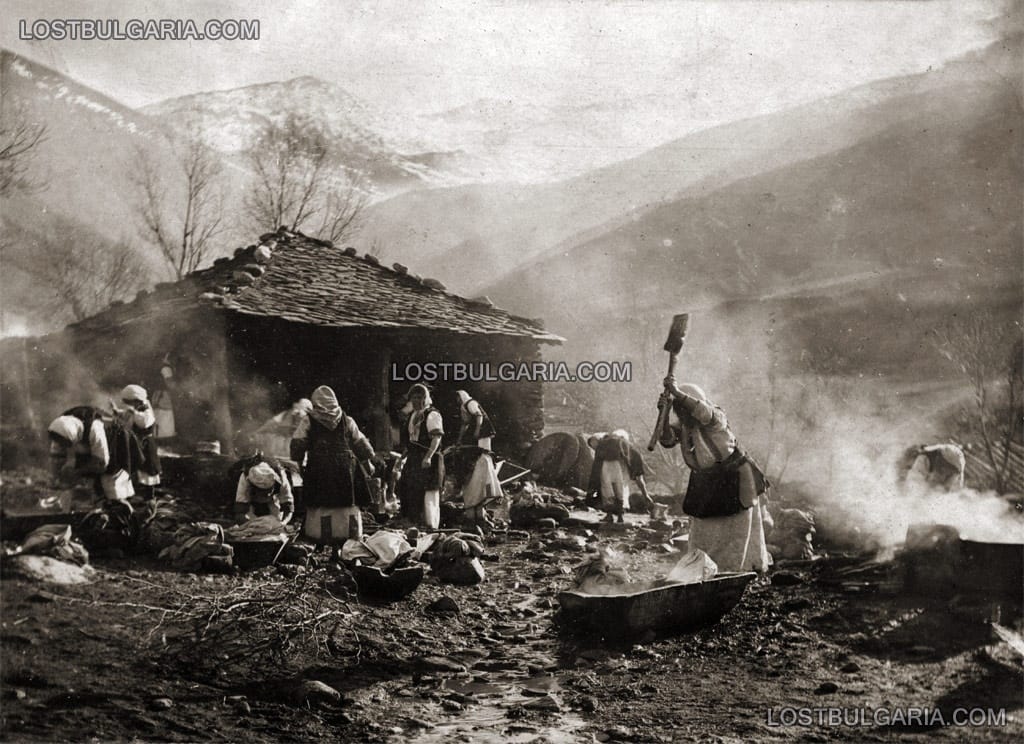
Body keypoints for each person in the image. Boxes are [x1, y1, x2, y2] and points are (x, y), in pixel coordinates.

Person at [658, 379, 770, 572]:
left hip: (733, 477)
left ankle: (736, 572)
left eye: (685, 407)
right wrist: (664, 412)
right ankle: (705, 571)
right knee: (704, 530)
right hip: (708, 481)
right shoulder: (686, 425)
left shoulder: (716, 416)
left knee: (735, 531)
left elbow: (704, 413)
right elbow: (667, 440)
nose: (683, 413)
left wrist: (676, 392)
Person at [292, 386, 376, 544]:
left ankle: (323, 539)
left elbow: (298, 443)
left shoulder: (309, 420)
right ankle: (347, 538)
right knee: (346, 501)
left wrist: (299, 464)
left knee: (323, 502)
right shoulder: (346, 419)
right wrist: (367, 463)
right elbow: (359, 442)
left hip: (319, 467)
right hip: (345, 467)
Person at [47, 406, 137, 501]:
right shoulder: (62, 426)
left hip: (113, 445)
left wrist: (78, 472)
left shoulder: (95, 429)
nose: (62, 445)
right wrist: (57, 474)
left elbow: (102, 463)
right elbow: (58, 454)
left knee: (111, 485)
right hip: (88, 446)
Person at [397, 383, 445, 528]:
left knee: (427, 492)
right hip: (414, 458)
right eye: (414, 398)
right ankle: (412, 522)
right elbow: (412, 441)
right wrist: (401, 458)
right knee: (408, 488)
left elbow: (436, 438)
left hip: (428, 458)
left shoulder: (432, 414)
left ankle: (429, 525)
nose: (416, 401)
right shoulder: (413, 415)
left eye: (419, 397)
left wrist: (428, 457)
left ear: (425, 398)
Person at [587, 429, 654, 523]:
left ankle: (609, 515)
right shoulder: (632, 451)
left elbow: (596, 469)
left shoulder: (604, 445)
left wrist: (591, 489)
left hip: (605, 467)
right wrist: (645, 495)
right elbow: (639, 478)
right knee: (621, 490)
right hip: (620, 471)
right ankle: (620, 517)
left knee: (607, 490)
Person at [116, 385, 161, 499]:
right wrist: (117, 412)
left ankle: (149, 497)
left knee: (148, 471)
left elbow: (144, 422)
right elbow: (125, 417)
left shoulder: (145, 409)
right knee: (135, 469)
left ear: (136, 401)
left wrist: (133, 412)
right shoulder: (135, 409)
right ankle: (135, 495)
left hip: (146, 444)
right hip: (136, 443)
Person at [233, 458, 294, 524]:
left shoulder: (281, 478)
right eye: (263, 493)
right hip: (251, 504)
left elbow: (288, 508)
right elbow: (240, 513)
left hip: (273, 501)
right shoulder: (245, 479)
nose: (267, 495)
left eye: (268, 491)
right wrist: (255, 525)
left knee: (276, 521)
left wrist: (283, 523)